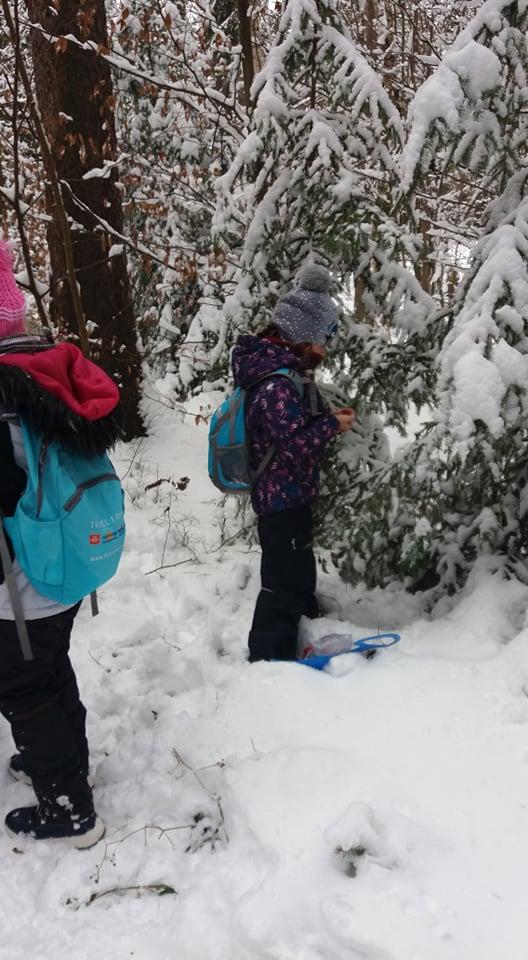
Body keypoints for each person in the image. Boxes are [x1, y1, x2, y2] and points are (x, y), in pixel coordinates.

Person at [0, 239, 122, 847]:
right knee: (47, 669)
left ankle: (68, 809)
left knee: (25, 687)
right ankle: (61, 759)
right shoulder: (51, 375)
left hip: (18, 589)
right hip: (66, 565)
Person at [232, 263, 355, 663]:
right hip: (279, 499)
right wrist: (331, 426)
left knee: (298, 572)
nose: (324, 349)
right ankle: (269, 658)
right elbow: (291, 445)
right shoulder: (275, 384)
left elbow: (289, 433)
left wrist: (325, 421)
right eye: (322, 339)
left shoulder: (283, 375)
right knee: (281, 583)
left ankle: (304, 628)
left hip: (291, 496)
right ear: (303, 335)